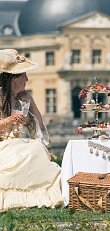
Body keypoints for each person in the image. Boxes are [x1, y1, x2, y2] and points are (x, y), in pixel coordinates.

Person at [0, 49, 63, 211]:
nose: (27, 79)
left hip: (18, 143)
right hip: (3, 144)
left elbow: (40, 125)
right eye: (24, 75)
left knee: (36, 148)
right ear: (13, 78)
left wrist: (30, 115)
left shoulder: (25, 97)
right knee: (29, 150)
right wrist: (9, 119)